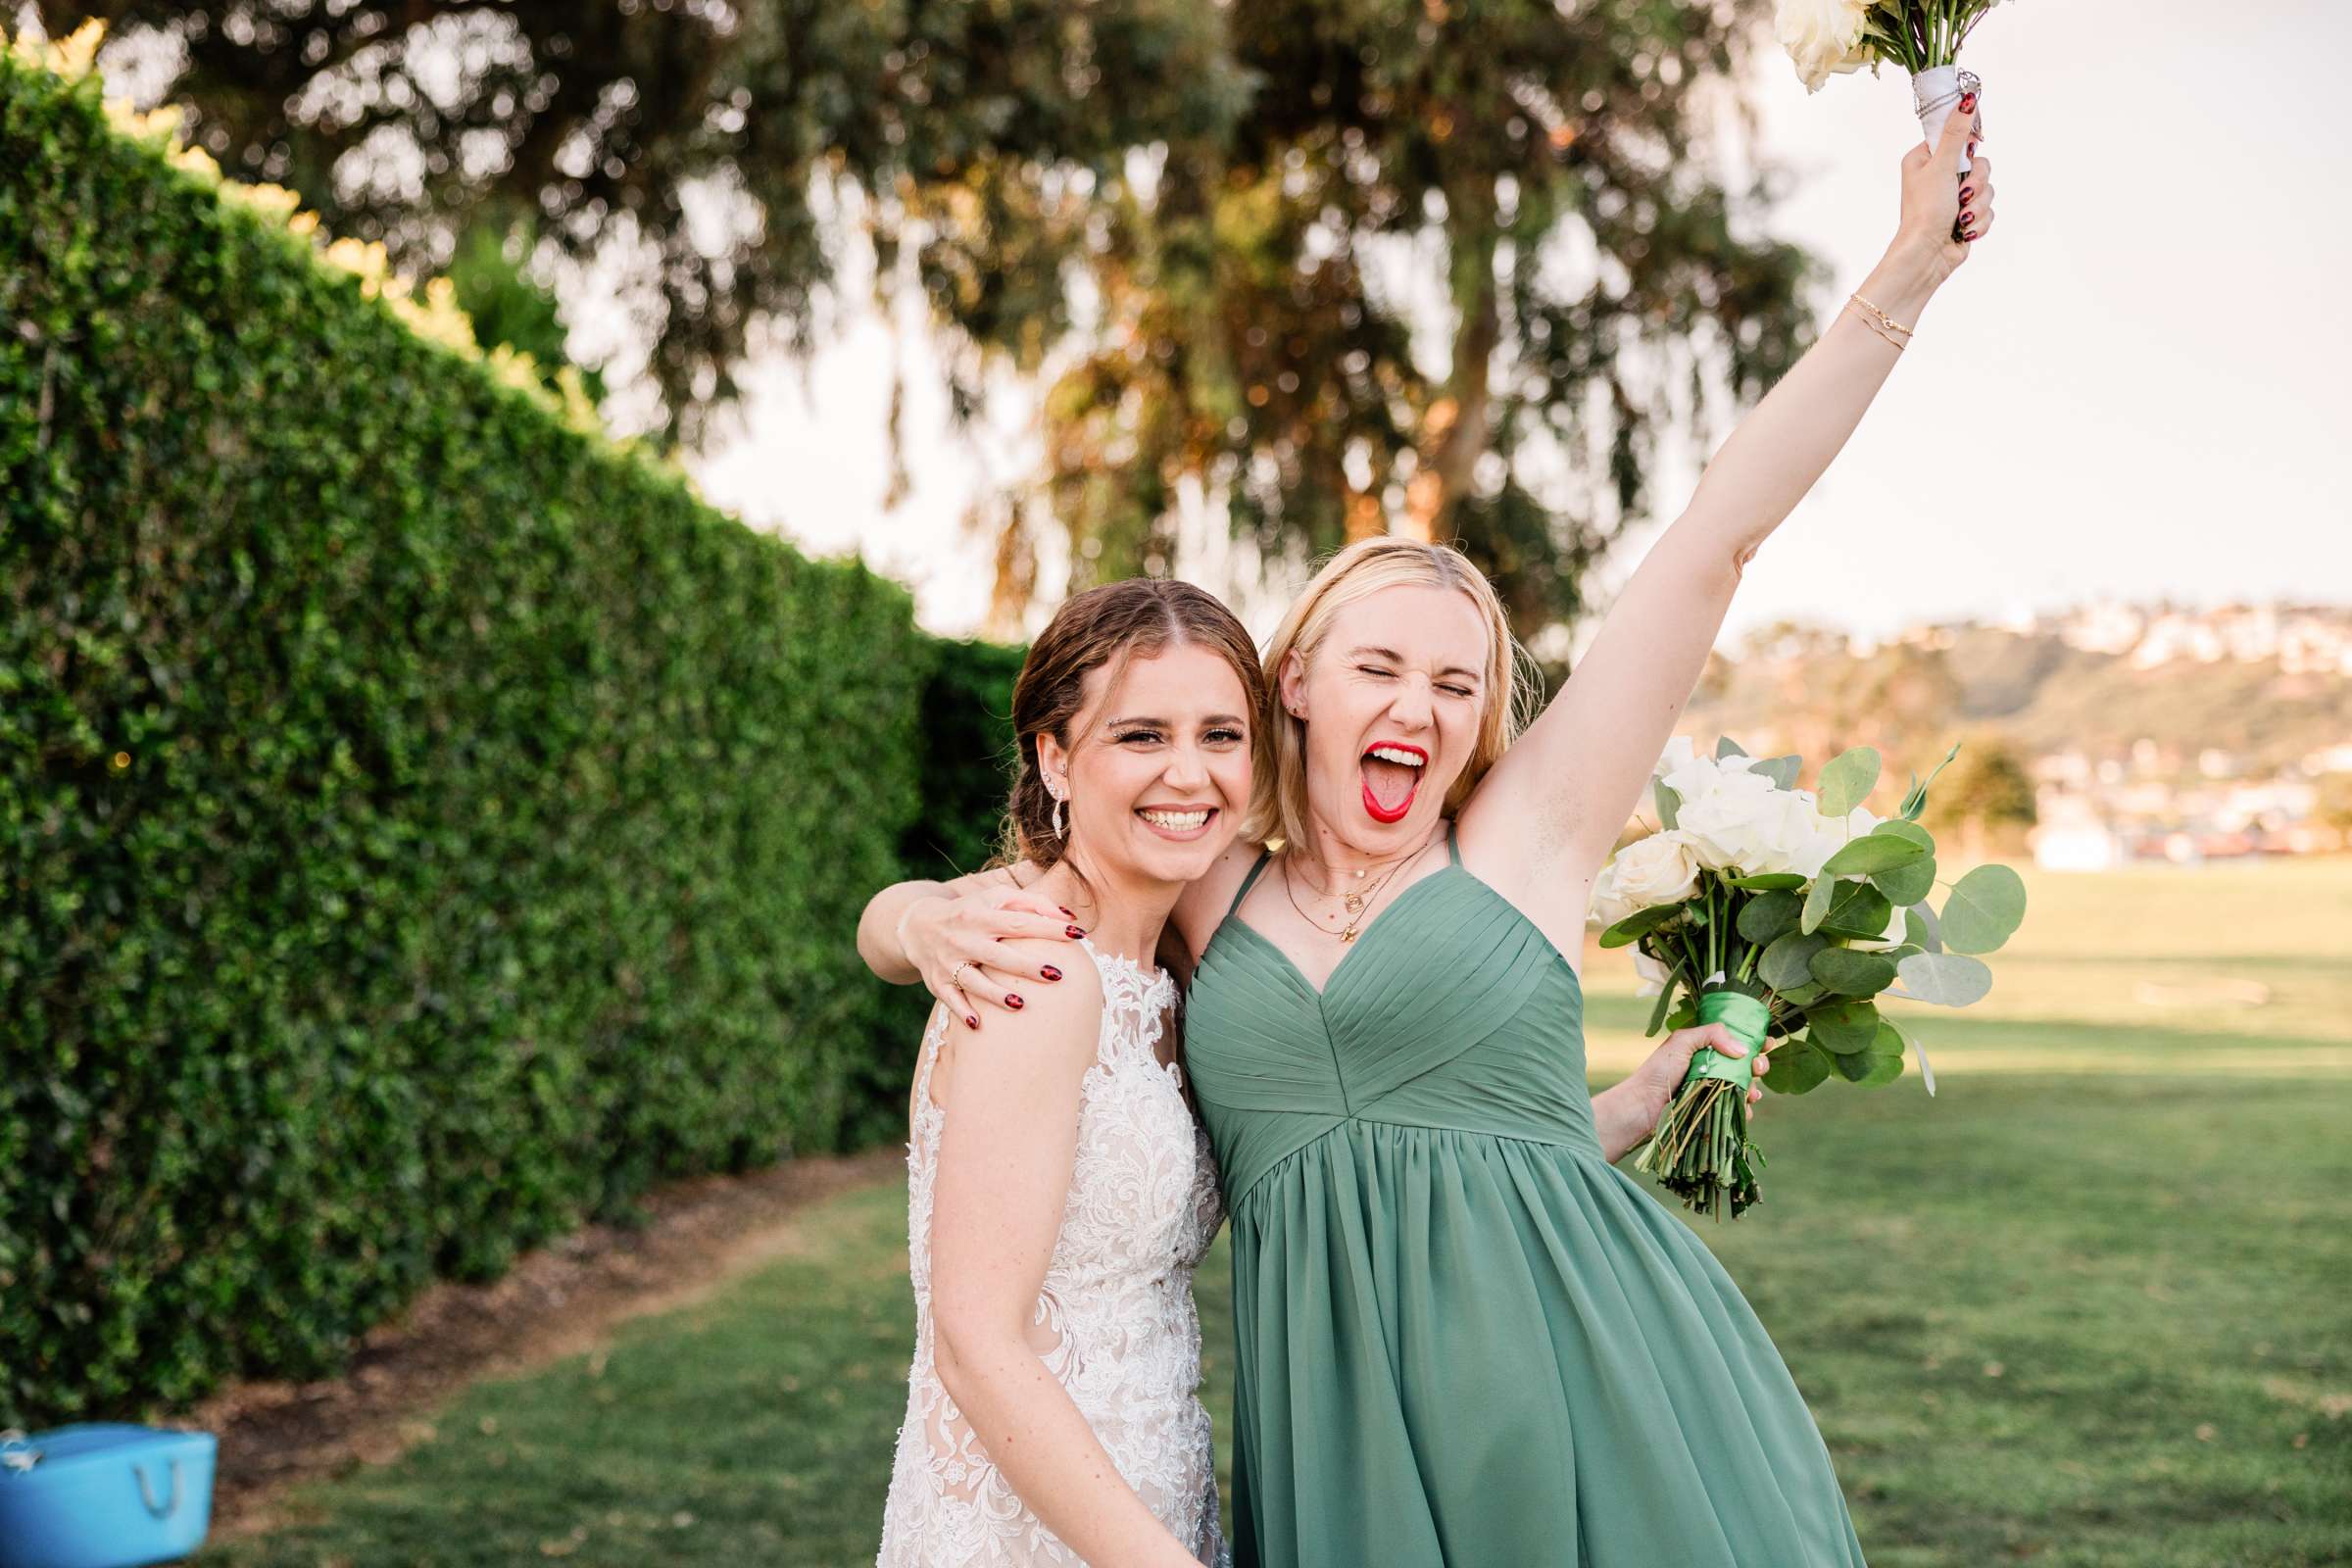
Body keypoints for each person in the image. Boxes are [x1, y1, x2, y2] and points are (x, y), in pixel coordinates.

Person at [864, 101, 1995, 1565]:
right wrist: (904, 915)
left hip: (1583, 1373)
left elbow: (1716, 537)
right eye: (1381, 669)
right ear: (1299, 687)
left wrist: (1904, 275)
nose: (1421, 706)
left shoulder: (1526, 837)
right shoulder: (1211, 879)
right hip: (1339, 1426)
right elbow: (1051, 892)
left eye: (1458, 684)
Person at [872, 578, 1267, 1568]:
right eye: (1142, 736)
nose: (1190, 773)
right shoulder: (1036, 965)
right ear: (1055, 756)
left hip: (1150, 1481)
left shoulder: (1172, 959)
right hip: (1036, 1528)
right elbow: (977, 1341)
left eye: (1221, 734)